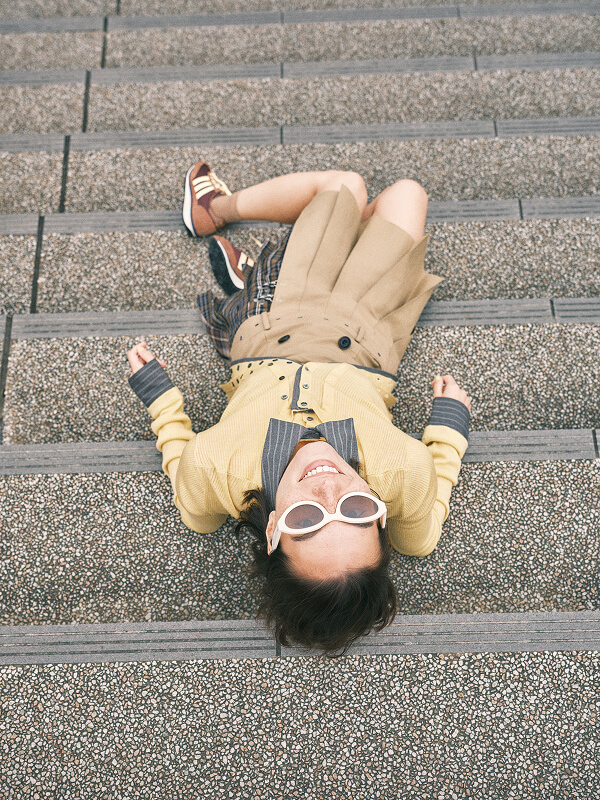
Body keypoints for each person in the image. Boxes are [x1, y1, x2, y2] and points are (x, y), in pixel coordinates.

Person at [127, 163, 471, 656]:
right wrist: (449, 427)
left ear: (272, 531)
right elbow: (423, 536)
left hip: (278, 320)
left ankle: (213, 215)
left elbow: (190, 495)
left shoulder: (217, 469)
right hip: (368, 332)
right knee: (408, 194)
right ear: (379, 519)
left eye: (307, 518)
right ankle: (275, 263)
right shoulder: (402, 471)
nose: (330, 486)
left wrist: (159, 396)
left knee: (346, 186)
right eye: (355, 511)